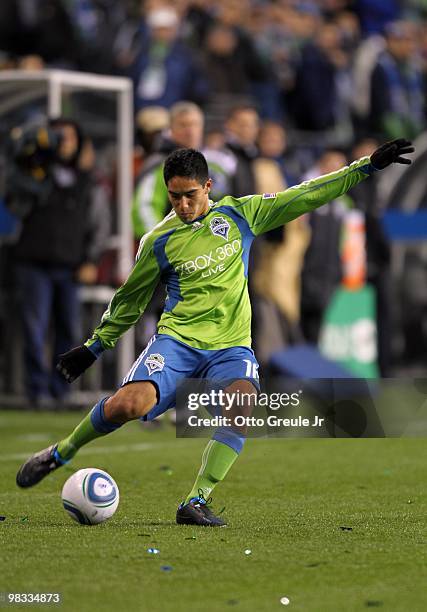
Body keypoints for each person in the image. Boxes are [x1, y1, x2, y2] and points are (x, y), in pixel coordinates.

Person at [16, 139, 413, 526]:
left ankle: (196, 499)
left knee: (243, 405)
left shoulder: (242, 215)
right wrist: (94, 346)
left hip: (230, 347)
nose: (183, 205)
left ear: (208, 187)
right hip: (177, 343)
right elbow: (130, 300)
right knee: (128, 407)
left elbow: (307, 194)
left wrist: (366, 166)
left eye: (190, 195)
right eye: (174, 197)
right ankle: (61, 452)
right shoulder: (159, 241)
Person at [5, 118, 109, 405]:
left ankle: (61, 390)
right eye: (57, 137)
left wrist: (90, 259)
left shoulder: (87, 179)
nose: (64, 142)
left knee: (70, 331)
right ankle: (37, 391)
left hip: (69, 266)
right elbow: (13, 198)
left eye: (70, 138)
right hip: (32, 262)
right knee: (34, 329)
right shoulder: (31, 172)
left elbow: (97, 223)